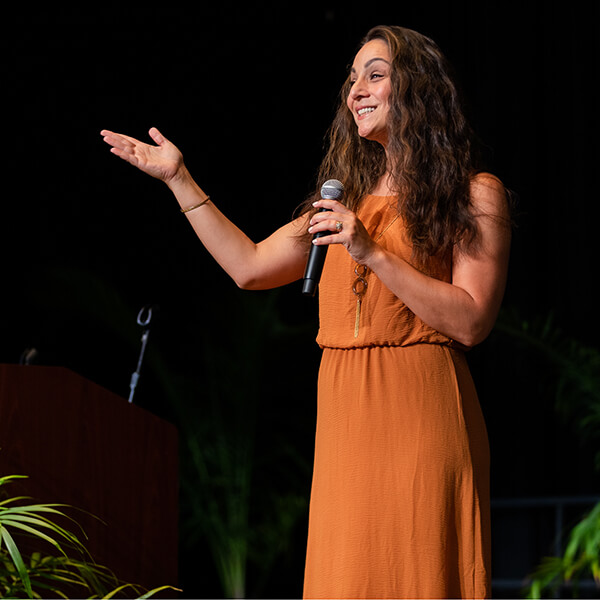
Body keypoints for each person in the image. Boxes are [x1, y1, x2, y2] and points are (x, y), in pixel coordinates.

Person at [101, 24, 511, 599]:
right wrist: (179, 179)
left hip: (421, 412)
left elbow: (472, 320)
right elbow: (248, 266)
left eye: (375, 74)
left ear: (417, 88)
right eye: (350, 80)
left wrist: (370, 250)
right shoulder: (339, 205)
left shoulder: (474, 194)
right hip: (346, 420)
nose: (356, 91)